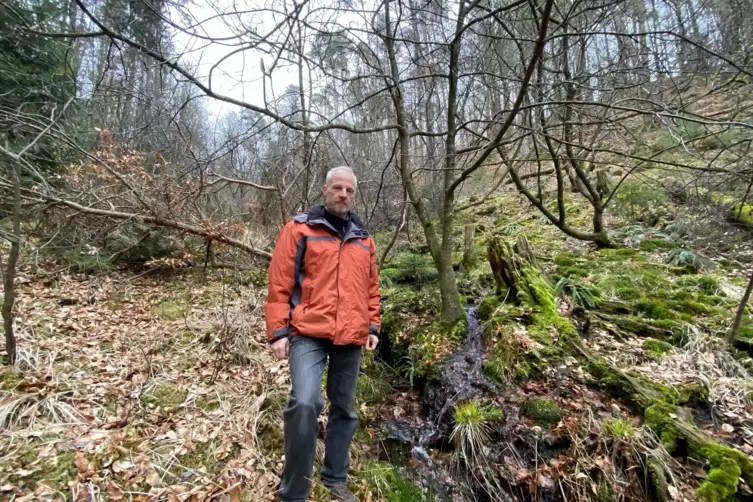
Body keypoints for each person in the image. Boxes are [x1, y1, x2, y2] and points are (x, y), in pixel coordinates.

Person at [265, 166, 381, 502]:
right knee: (305, 403)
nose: (343, 195)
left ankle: (335, 479)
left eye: (349, 190)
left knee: (344, 408)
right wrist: (278, 332)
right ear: (325, 190)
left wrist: (373, 325)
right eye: (337, 188)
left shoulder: (364, 238)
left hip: (352, 334)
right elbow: (279, 282)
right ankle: (294, 492)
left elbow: (371, 287)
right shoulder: (300, 229)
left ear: (354, 195)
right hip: (308, 332)